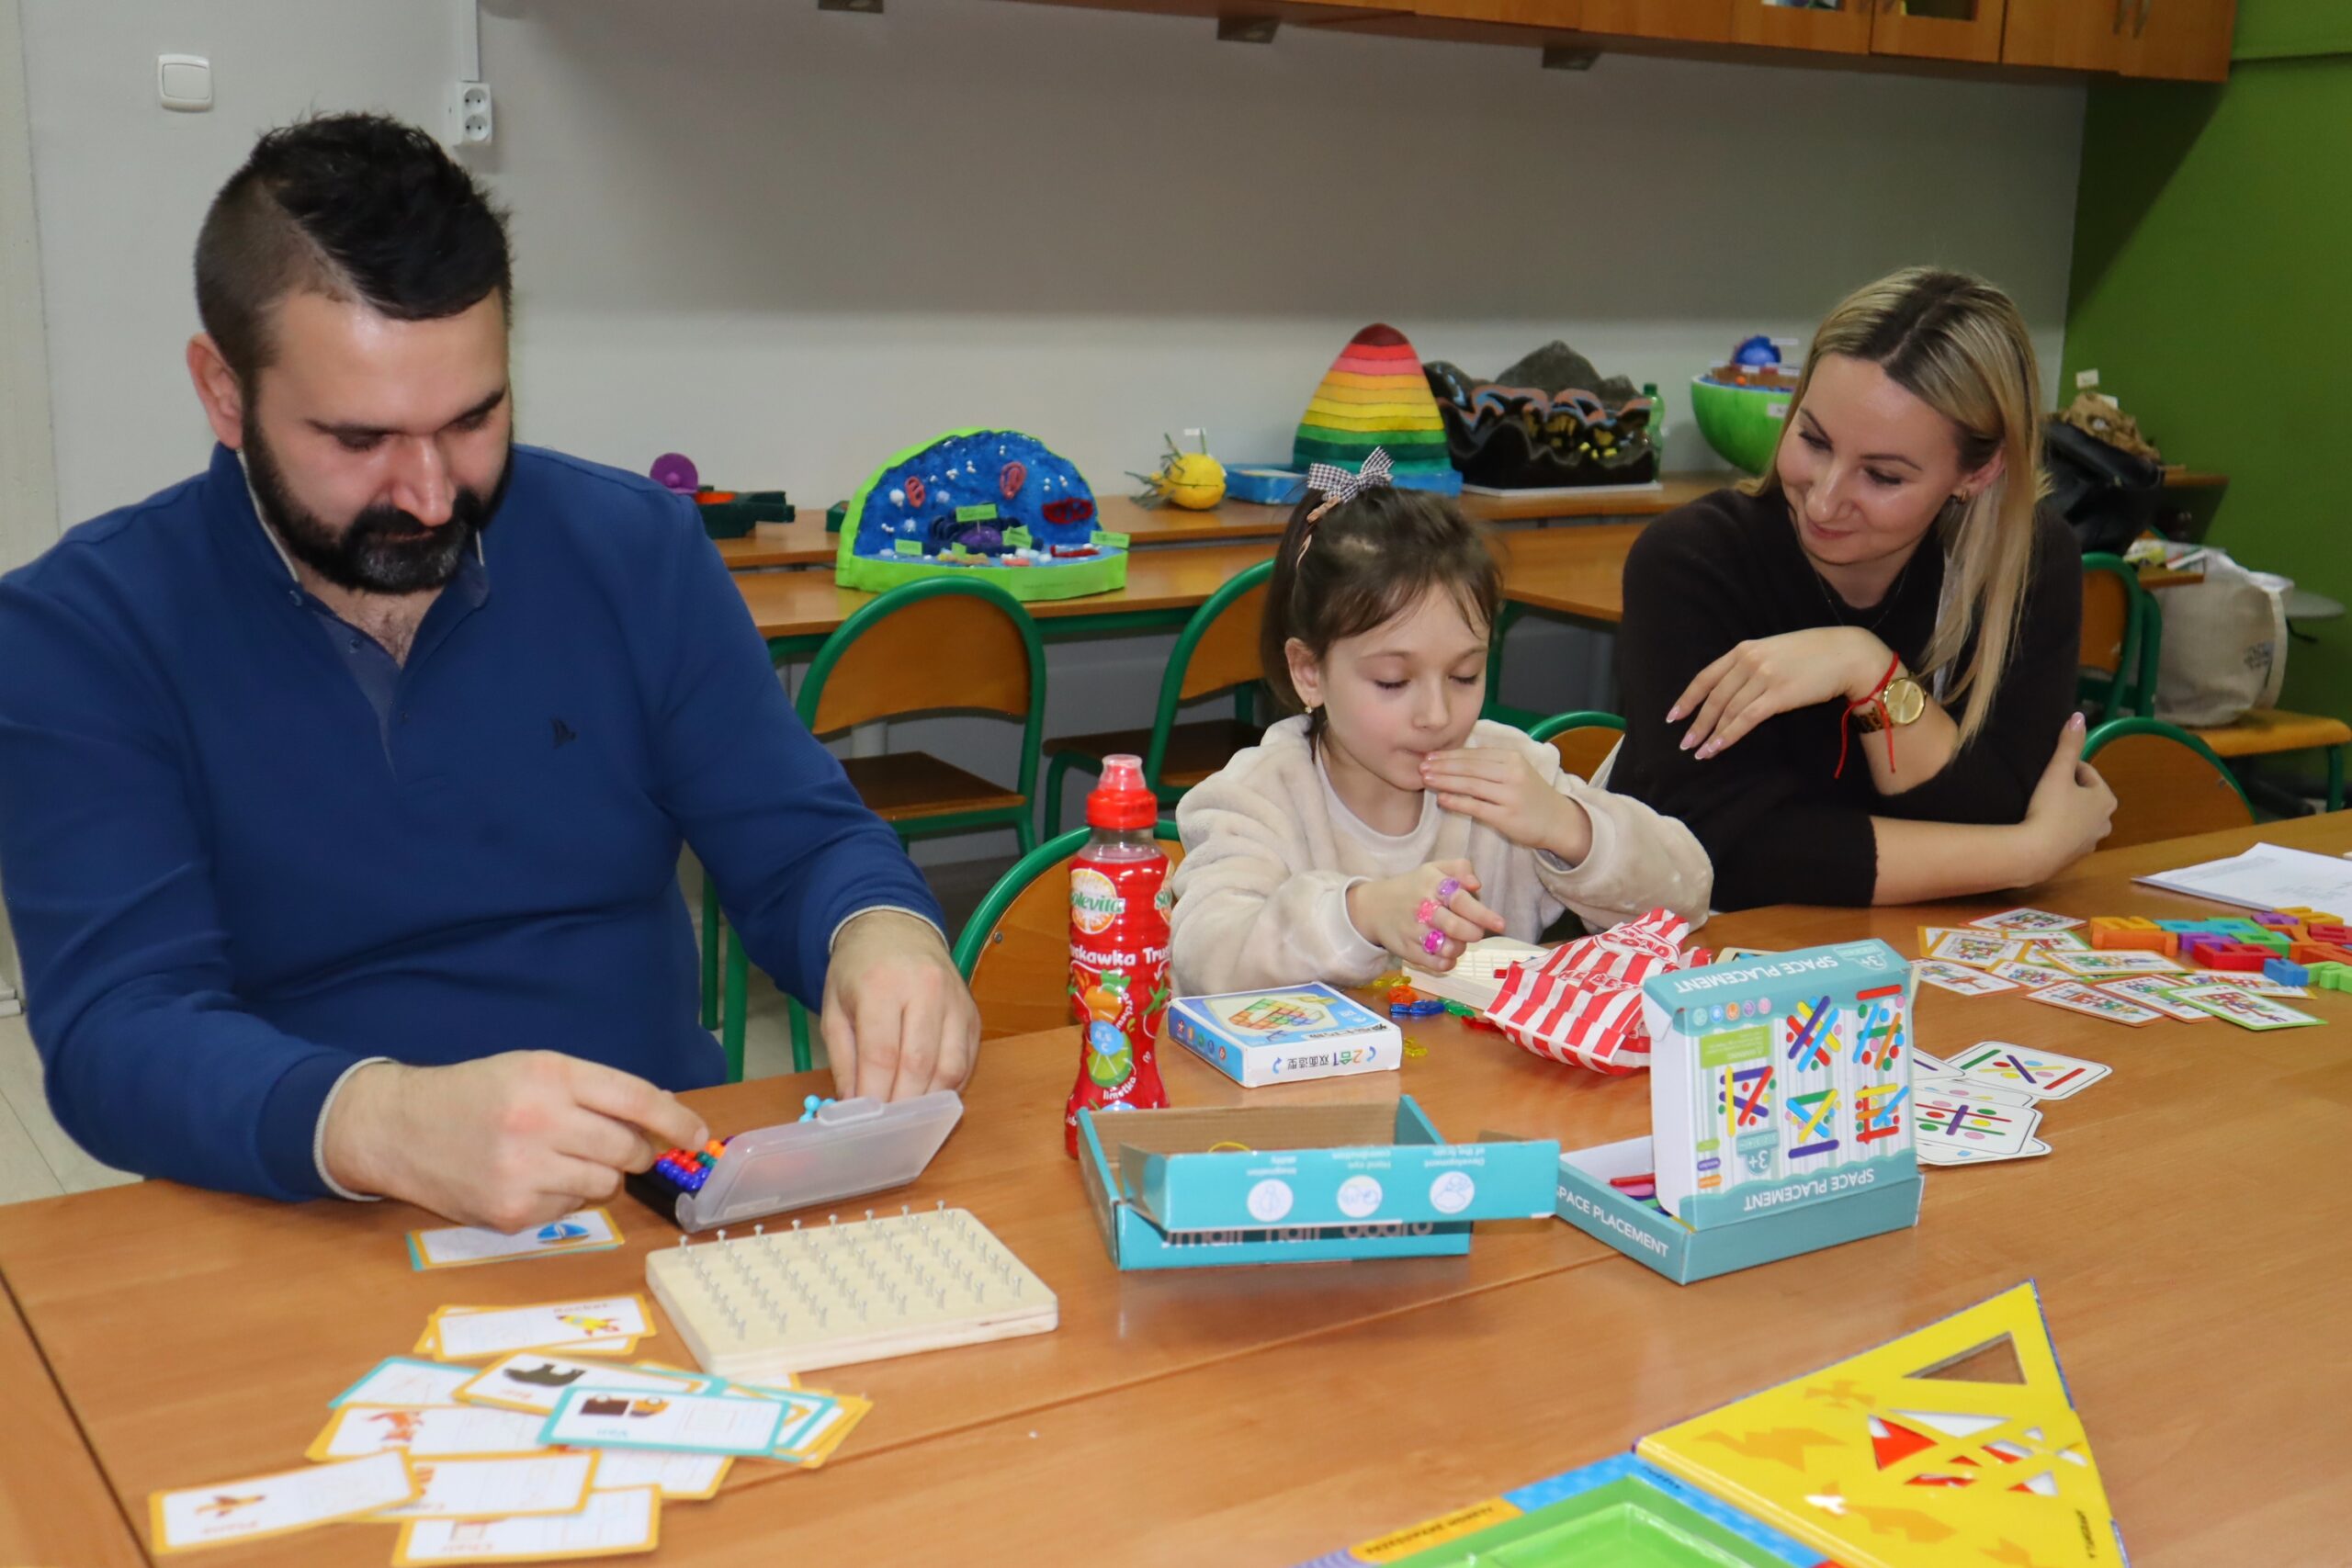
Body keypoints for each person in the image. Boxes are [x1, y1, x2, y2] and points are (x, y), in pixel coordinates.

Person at [0, 114, 978, 1231]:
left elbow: (801, 844)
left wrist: (879, 932)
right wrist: (381, 1122)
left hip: (651, 1192)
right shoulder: (81, 631)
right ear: (223, 393)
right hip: (305, 1218)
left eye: (474, 418)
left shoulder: (634, 551)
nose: (431, 495)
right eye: (360, 440)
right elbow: (118, 1030)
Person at [1611, 268, 2116, 910]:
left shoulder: (2027, 561)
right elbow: (1718, 853)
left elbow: (1992, 806)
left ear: (1979, 470)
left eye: (1882, 476)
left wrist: (1872, 674)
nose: (1824, 501)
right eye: (1813, 440)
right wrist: (2030, 854)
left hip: (1916, 947)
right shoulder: (1691, 559)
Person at [1169, 456, 1712, 997]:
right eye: (1392, 681)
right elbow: (1203, 961)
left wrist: (1570, 828)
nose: (1437, 715)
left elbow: (1689, 898)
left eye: (1463, 675)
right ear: (1309, 672)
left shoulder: (1508, 774)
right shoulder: (1255, 800)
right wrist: (1361, 913)